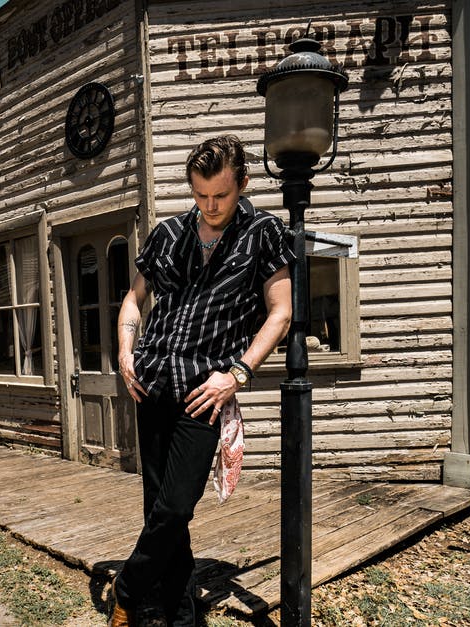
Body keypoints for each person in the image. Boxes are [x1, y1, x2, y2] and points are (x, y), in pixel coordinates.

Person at [110, 135, 292, 626]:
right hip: (149, 385)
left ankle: (125, 590)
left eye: (221, 195)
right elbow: (133, 299)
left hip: (201, 394)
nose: (210, 206)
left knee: (175, 506)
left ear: (243, 184)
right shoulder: (168, 234)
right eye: (200, 195)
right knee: (159, 509)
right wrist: (126, 353)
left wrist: (237, 373)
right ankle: (178, 609)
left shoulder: (264, 234)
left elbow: (280, 314)